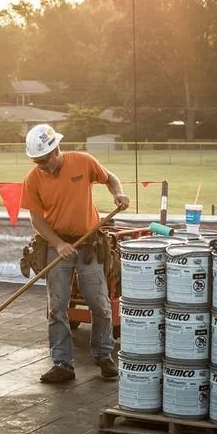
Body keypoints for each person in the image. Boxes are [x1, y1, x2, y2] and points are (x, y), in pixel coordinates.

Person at [19, 124, 130, 383]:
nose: (42, 167)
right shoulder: (33, 179)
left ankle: (104, 356)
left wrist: (119, 193)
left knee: (100, 306)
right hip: (56, 247)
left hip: (89, 245)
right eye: (37, 162)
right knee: (57, 308)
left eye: (45, 160)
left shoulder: (83, 162)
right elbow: (37, 220)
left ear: (57, 149)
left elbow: (110, 178)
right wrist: (57, 243)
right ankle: (62, 364)